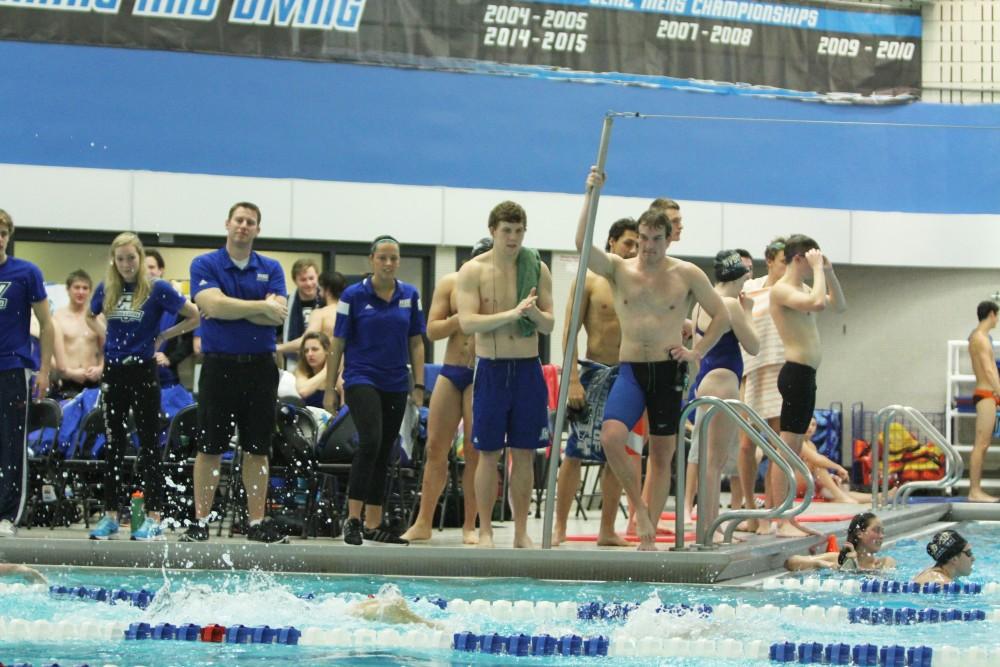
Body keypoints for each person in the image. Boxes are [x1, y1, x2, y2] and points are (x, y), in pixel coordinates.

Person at [577, 168, 729, 550]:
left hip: (668, 370)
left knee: (662, 453)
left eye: (656, 239)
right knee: (611, 437)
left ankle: (647, 535)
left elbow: (722, 315)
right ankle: (640, 511)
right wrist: (591, 194)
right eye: (643, 238)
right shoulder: (619, 269)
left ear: (668, 239)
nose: (648, 246)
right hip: (630, 370)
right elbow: (582, 244)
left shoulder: (686, 273)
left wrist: (698, 350)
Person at [183, 202, 289, 544]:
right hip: (219, 367)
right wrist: (260, 306)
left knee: (258, 447)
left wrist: (229, 307)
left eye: (251, 222)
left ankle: (257, 522)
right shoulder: (205, 263)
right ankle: (200, 521)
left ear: (258, 229)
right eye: (239, 220)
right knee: (209, 446)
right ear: (227, 224)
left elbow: (278, 317)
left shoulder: (271, 268)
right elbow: (210, 306)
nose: (244, 226)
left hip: (260, 367)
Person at [85, 233, 198, 540]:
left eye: (131, 258)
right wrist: (106, 336)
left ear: (140, 257)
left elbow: (195, 316)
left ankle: (154, 515)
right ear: (114, 260)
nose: (126, 264)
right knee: (113, 444)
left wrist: (163, 336)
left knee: (149, 443)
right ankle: (110, 515)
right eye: (120, 259)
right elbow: (90, 315)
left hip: (144, 371)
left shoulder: (157, 288)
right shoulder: (107, 287)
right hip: (114, 372)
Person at [456, 202, 555, 549]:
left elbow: (550, 323)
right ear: (493, 231)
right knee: (488, 453)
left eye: (519, 231)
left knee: (525, 453)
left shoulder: (536, 267)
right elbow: (467, 322)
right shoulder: (473, 271)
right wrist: (512, 314)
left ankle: (520, 531)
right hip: (492, 368)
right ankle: (485, 530)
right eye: (507, 231)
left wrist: (534, 314)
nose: (513, 238)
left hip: (528, 367)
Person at [324, 235, 426, 546]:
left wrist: (419, 385)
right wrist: (330, 387)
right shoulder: (353, 296)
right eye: (382, 257)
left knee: (385, 449)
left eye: (393, 258)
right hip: (360, 378)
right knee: (370, 441)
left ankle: (373, 524)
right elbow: (338, 343)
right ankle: (352, 520)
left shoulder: (410, 294)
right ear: (372, 260)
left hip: (395, 381)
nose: (388, 263)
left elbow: (416, 342)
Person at [552, 218, 641, 547]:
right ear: (611, 243)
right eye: (627, 243)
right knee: (574, 453)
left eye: (636, 244)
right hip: (591, 372)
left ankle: (606, 529)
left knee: (618, 453)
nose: (632, 250)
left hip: (629, 374)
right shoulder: (589, 279)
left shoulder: (638, 282)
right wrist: (572, 377)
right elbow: (568, 331)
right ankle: (559, 525)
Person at [401, 239, 492, 545]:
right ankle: (424, 521)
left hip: (483, 372)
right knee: (435, 448)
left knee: (475, 452)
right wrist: (461, 317)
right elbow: (432, 330)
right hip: (451, 371)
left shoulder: (501, 287)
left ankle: (470, 525)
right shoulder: (450, 283)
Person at [769, 234, 847, 537]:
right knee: (786, 450)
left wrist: (828, 272)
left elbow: (838, 306)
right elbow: (816, 303)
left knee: (791, 448)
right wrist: (817, 271)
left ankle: (785, 517)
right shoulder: (782, 290)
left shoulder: (802, 287)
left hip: (805, 376)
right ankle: (782, 519)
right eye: (811, 258)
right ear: (799, 258)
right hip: (795, 374)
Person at [683, 249, 760, 540]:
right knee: (714, 464)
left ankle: (707, 525)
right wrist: (749, 311)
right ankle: (709, 529)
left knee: (706, 461)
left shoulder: (701, 304)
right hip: (725, 384)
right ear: (739, 276)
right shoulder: (730, 304)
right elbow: (753, 346)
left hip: (704, 382)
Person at [0, 209, 54, 538]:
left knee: (10, 444)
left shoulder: (26, 272)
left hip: (12, 368)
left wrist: (44, 369)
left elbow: (47, 324)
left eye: (3, 232)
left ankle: (7, 515)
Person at [736, 239, 786, 532]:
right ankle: (752, 512)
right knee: (746, 445)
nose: (788, 266)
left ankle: (772, 511)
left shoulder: (796, 289)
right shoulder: (750, 288)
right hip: (752, 370)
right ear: (769, 260)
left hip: (782, 369)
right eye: (783, 260)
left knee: (777, 447)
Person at [144, 249, 195, 388]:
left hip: (167, 379)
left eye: (151, 267)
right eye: (143, 267)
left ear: (161, 270)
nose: (147, 271)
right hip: (137, 374)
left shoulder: (175, 301)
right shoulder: (132, 303)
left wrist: (171, 359)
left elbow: (190, 339)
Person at [966, 300, 1000, 502]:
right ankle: (974, 491)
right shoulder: (980, 338)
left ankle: (975, 491)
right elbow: (989, 369)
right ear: (991, 315)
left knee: (984, 444)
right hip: (986, 394)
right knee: (981, 443)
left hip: (988, 394)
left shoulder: (979, 337)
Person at [785, 512, 896, 572]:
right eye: (876, 530)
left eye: (882, 532)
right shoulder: (836, 559)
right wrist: (819, 564)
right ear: (859, 533)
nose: (881, 536)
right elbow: (791, 562)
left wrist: (853, 568)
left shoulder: (884, 563)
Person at [53, 269, 103, 397]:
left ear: (90, 291)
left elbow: (106, 350)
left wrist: (100, 368)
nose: (81, 292)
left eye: (85, 288)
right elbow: (49, 355)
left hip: (93, 382)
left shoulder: (97, 317)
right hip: (67, 382)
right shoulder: (57, 317)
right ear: (68, 290)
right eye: (77, 287)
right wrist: (70, 373)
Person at [277, 258, 324, 370]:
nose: (308, 283)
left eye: (311, 278)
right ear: (295, 281)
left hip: (324, 362)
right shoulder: (286, 303)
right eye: (303, 280)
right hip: (294, 361)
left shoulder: (326, 301)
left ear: (317, 277)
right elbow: (277, 333)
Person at [306, 271, 347, 338]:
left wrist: (282, 347)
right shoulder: (351, 312)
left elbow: (307, 339)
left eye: (320, 289)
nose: (319, 293)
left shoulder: (320, 314)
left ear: (327, 290)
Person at [295, 331, 329, 409]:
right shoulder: (301, 371)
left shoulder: (338, 374)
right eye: (306, 351)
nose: (310, 354)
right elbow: (303, 391)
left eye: (315, 349)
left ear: (327, 351)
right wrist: (327, 370)